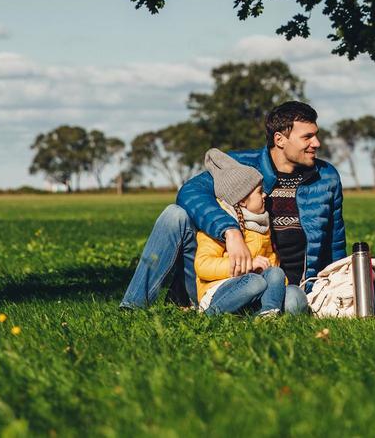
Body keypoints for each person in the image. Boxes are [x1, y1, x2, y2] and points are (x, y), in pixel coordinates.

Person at [120, 101, 346, 313]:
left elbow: (335, 242)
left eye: (316, 135)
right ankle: (132, 308)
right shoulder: (241, 165)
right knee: (174, 215)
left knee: (291, 300)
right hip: (216, 283)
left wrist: (342, 282)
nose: (316, 143)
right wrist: (230, 230)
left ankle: (266, 308)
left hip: (283, 286)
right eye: (308, 137)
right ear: (280, 139)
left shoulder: (326, 177)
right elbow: (189, 192)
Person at [194, 149, 287, 316]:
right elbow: (203, 266)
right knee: (255, 282)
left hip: (251, 288)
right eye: (259, 191)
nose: (265, 195)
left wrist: (280, 284)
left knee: (276, 273)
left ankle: (268, 314)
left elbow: (271, 261)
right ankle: (211, 313)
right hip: (219, 290)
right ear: (243, 201)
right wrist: (248, 266)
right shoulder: (221, 226)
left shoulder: (261, 225)